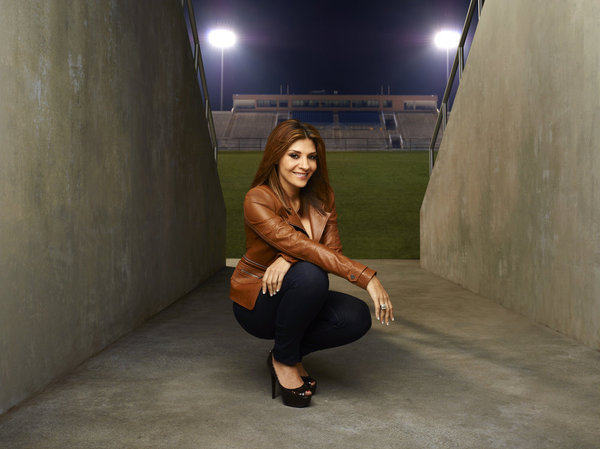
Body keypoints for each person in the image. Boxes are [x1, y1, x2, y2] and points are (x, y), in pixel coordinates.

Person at [229, 119, 393, 408]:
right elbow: (300, 246)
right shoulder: (257, 199)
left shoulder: (322, 197)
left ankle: (284, 352)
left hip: (299, 293)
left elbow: (331, 253)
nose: (305, 165)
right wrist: (366, 277)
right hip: (257, 300)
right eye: (295, 155)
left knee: (356, 317)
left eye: (312, 157)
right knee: (310, 274)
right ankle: (285, 363)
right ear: (276, 156)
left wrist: (287, 259)